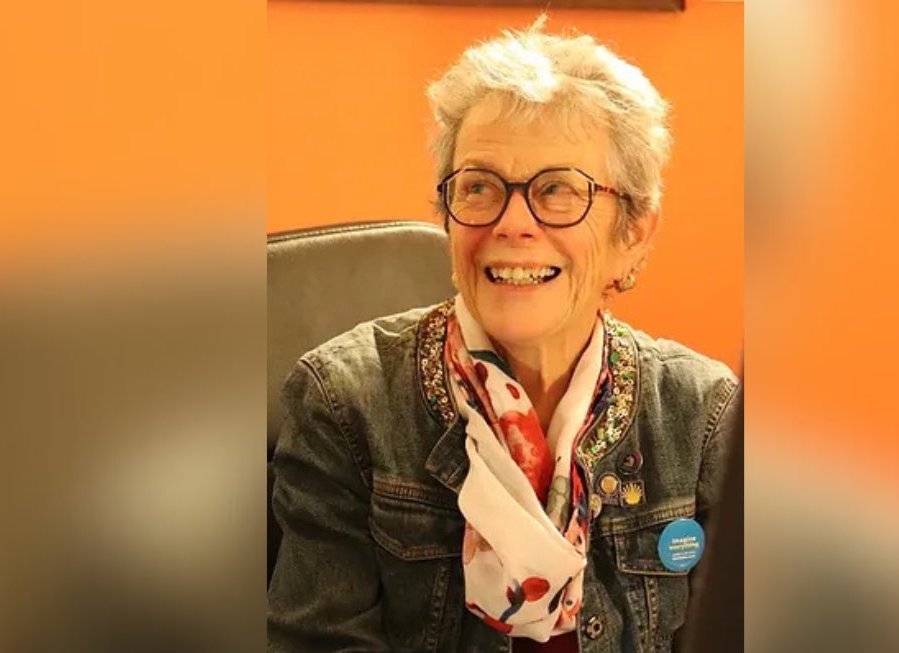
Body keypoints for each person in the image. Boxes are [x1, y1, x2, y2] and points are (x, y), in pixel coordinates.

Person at [268, 18, 739, 653]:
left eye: (558, 190)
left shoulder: (704, 414)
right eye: (481, 187)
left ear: (631, 235)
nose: (512, 222)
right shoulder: (343, 403)